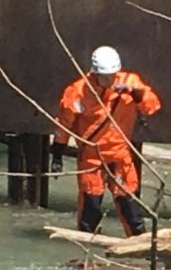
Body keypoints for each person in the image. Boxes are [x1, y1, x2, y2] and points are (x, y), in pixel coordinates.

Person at [50, 45, 161, 236]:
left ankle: (139, 248)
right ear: (95, 73)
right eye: (105, 76)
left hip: (120, 155)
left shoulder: (130, 82)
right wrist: (57, 155)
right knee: (90, 208)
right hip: (92, 156)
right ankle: (86, 252)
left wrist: (138, 95)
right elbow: (64, 125)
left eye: (112, 75)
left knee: (130, 207)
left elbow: (152, 107)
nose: (110, 80)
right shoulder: (78, 91)